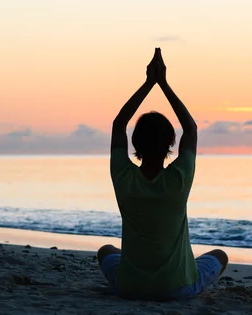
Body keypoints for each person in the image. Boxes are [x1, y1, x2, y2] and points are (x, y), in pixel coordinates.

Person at [97, 48, 228, 301]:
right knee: (219, 256)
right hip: (177, 288)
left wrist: (148, 83)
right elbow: (190, 128)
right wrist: (163, 84)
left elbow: (118, 124)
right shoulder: (178, 179)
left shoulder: (124, 177)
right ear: (171, 143)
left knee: (106, 250)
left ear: (134, 143)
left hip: (129, 287)